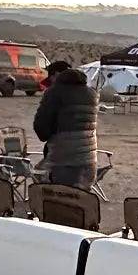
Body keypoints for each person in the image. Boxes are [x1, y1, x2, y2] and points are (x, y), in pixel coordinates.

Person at [33, 61, 99, 189]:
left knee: (61, 200)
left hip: (64, 159)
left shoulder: (55, 93)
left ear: (58, 76)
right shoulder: (92, 94)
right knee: (80, 200)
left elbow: (42, 127)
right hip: (89, 160)